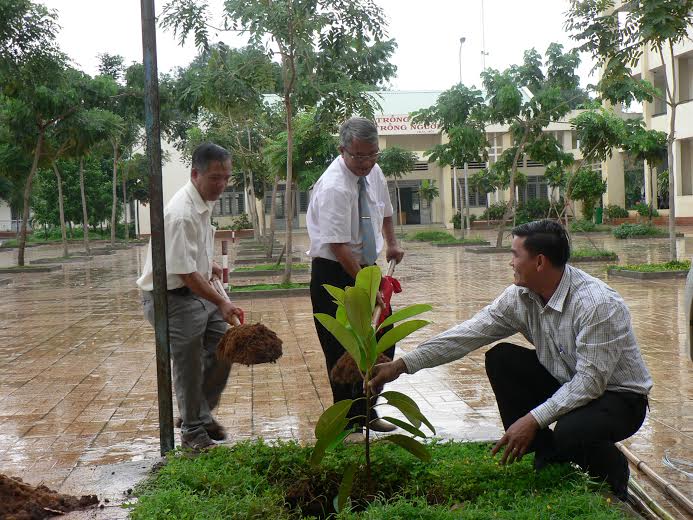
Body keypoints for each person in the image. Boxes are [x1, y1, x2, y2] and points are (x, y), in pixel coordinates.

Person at [369, 219, 652, 499]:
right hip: (567, 379)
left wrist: (532, 419)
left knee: (570, 431)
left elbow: (590, 383)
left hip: (618, 397)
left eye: (515, 254)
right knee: (502, 358)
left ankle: (613, 474)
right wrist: (401, 365)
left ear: (539, 262)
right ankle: (548, 456)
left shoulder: (596, 304)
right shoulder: (520, 297)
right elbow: (468, 334)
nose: (510, 263)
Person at [136, 142, 245, 451]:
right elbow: (184, 274)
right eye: (215, 178)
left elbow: (190, 259)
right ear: (195, 174)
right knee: (189, 362)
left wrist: (206, 263)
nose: (222, 185)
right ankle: (193, 433)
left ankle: (199, 413)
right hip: (170, 298)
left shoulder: (202, 201)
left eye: (226, 177)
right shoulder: (181, 212)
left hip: (195, 291)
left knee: (227, 347)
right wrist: (222, 302)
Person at [307, 117, 405, 440]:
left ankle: (367, 410)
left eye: (372, 155)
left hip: (366, 266)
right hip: (334, 271)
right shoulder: (334, 186)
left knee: (382, 338)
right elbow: (338, 245)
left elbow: (386, 210)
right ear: (343, 150)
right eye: (358, 156)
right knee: (341, 348)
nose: (365, 163)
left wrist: (391, 243)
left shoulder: (373, 172)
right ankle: (348, 422)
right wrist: (367, 285)